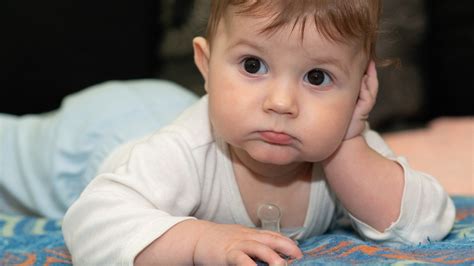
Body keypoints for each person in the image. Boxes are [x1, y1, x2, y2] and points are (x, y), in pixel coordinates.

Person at [62, 0, 455, 265]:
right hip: (99, 133)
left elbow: (428, 224)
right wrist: (201, 241)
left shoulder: (346, 143)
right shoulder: (184, 149)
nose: (281, 102)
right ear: (206, 64)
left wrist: (351, 145)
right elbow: (91, 223)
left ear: (361, 88)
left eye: (317, 76)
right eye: (253, 65)